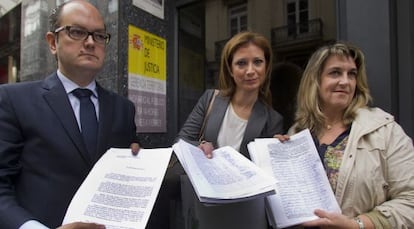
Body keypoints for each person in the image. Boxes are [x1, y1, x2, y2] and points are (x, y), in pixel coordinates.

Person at [0, 1, 139, 228]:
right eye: (77, 32)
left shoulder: (124, 109)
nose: (91, 42)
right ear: (52, 42)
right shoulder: (13, 100)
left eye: (100, 36)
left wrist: (137, 161)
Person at [279, 42, 414, 228]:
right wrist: (277, 156)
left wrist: (357, 225)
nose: (345, 81)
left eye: (351, 74)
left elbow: (410, 200)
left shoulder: (384, 130)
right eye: (335, 73)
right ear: (315, 81)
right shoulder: (296, 133)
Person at [175, 31, 284, 229]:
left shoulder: (273, 119)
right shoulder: (210, 100)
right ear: (230, 69)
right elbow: (181, 143)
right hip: (206, 209)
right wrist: (200, 147)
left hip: (247, 214)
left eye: (258, 62)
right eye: (241, 63)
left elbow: (269, 176)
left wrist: (279, 152)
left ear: (266, 67)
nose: (250, 70)